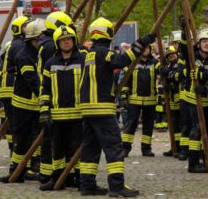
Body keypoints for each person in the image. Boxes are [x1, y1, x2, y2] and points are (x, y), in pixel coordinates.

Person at [79, 17, 154, 197]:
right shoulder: (103, 52)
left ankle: (87, 185)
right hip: (102, 109)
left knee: (90, 148)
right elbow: (121, 60)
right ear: (108, 33)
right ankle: (117, 186)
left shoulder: (89, 53)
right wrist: (141, 43)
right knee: (114, 146)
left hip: (87, 109)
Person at [38, 26, 86, 191]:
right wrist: (44, 111)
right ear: (57, 43)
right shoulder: (50, 63)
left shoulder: (83, 60)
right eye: (63, 40)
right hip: (57, 116)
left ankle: (80, 179)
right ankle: (58, 178)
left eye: (69, 39)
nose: (66, 42)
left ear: (74, 41)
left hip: (78, 114)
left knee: (77, 148)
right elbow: (44, 89)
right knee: (57, 149)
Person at [0, 19, 46, 183]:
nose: (41, 42)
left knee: (36, 137)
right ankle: (15, 171)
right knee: (22, 138)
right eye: (39, 39)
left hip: (36, 104)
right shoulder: (23, 56)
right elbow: (33, 81)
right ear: (32, 39)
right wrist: (46, 96)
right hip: (23, 104)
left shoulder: (38, 53)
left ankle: (33, 167)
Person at [38, 11, 74, 183]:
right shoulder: (50, 50)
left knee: (63, 144)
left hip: (69, 110)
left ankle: (65, 175)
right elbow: (46, 84)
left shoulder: (44, 43)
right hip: (56, 106)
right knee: (53, 144)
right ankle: (50, 175)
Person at [181, 28, 208, 173]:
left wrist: (207, 88)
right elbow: (184, 47)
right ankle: (193, 163)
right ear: (199, 43)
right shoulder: (191, 57)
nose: (206, 44)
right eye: (204, 41)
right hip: (193, 101)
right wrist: (184, 32)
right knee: (196, 131)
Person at [121, 44, 160, 157]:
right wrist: (124, 96)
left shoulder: (155, 63)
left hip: (150, 100)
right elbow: (126, 80)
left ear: (150, 50)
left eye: (147, 48)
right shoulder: (132, 62)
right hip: (134, 100)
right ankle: (125, 148)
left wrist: (163, 70)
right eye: (143, 48)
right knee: (131, 125)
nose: (145, 50)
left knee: (148, 125)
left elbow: (161, 73)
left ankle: (146, 148)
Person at [0, 16, 29, 155]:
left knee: (14, 125)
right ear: (18, 29)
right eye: (25, 26)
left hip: (7, 89)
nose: (28, 28)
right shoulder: (20, 45)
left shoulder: (12, 44)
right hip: (13, 90)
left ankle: (14, 153)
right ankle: (18, 155)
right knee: (19, 126)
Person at [162, 45, 184, 157]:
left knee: (181, 124)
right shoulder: (168, 66)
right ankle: (175, 147)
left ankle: (181, 148)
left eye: (172, 54)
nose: (171, 56)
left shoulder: (180, 63)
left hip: (181, 98)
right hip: (172, 99)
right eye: (169, 55)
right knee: (174, 125)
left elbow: (179, 76)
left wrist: (169, 75)